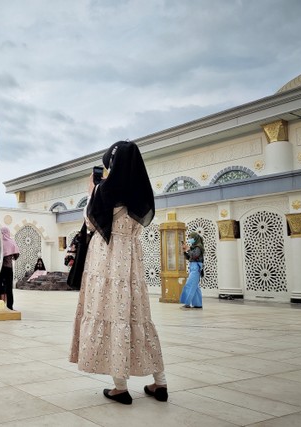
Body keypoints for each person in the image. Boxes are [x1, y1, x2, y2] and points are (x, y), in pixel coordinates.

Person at [69, 140, 168, 405]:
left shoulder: (105, 191)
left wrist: (92, 190)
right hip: (131, 261)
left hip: (106, 258)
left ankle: (120, 388)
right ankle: (160, 384)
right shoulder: (142, 192)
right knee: (137, 318)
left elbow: (90, 222)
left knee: (110, 315)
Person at [0, 226, 20, 310]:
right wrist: (11, 256)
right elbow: (16, 256)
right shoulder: (11, 242)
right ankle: (9, 306)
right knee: (9, 288)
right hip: (8, 268)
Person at [180, 232, 204, 309]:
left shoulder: (199, 247)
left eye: (191, 238)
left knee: (189, 285)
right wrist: (184, 251)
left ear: (195, 238)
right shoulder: (193, 247)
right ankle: (198, 304)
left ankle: (187, 304)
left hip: (196, 267)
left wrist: (188, 249)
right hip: (192, 266)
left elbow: (195, 255)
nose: (190, 240)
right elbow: (189, 257)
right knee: (195, 287)